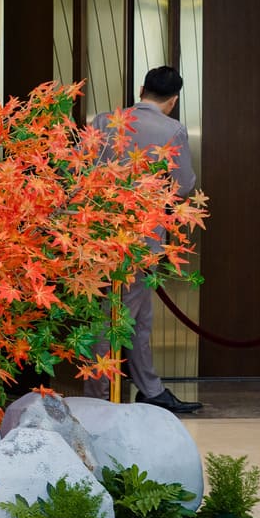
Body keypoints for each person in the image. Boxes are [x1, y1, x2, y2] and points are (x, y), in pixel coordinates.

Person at [85, 66, 201, 414]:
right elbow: (184, 184)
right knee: (114, 317)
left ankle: (150, 389)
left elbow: (81, 169)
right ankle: (96, 396)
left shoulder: (104, 121)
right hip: (140, 235)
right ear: (173, 100)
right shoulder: (172, 130)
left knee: (138, 316)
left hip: (96, 231)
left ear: (141, 90)